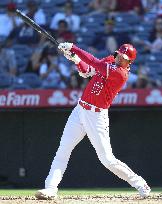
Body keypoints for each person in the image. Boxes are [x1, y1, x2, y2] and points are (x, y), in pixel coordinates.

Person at [35, 43, 151, 200]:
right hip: (80, 109)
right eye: (118, 55)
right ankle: (50, 188)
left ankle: (140, 183)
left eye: (123, 58)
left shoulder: (121, 73)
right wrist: (76, 60)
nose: (118, 58)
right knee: (63, 149)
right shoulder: (111, 60)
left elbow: (95, 63)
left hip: (96, 116)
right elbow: (87, 71)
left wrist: (73, 48)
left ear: (129, 62)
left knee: (107, 160)